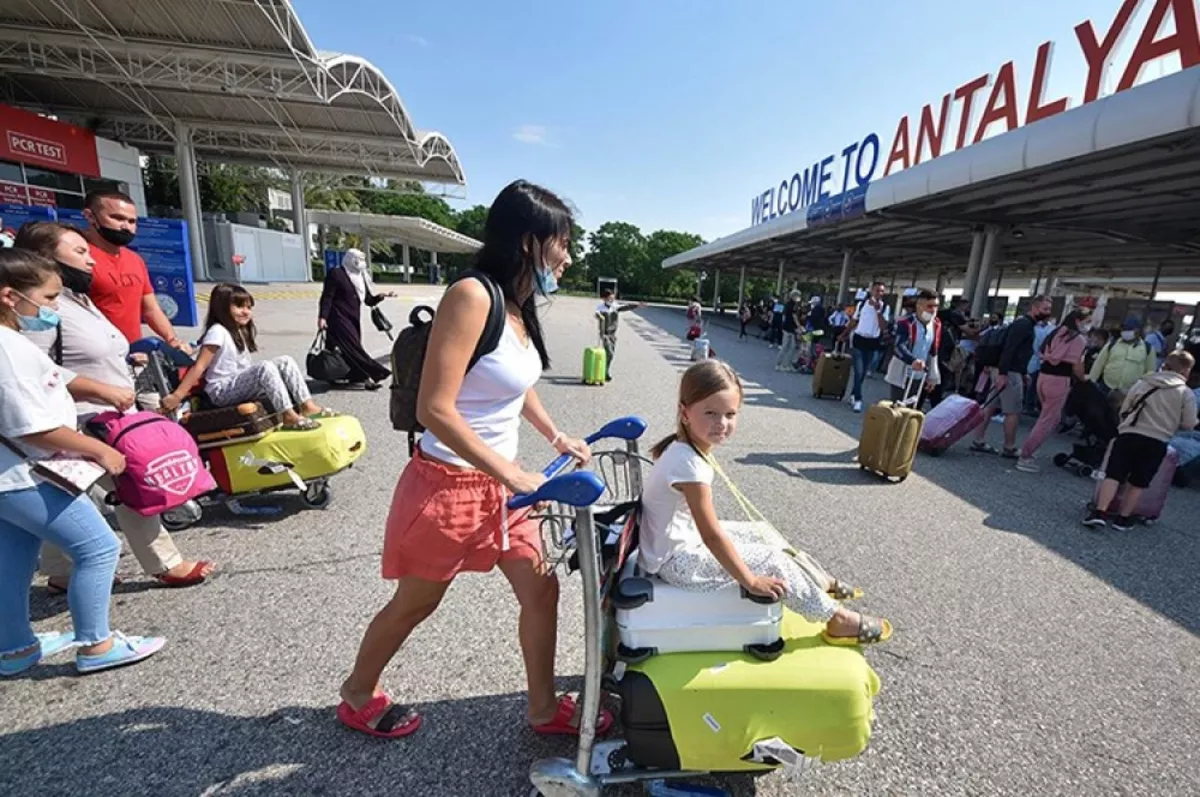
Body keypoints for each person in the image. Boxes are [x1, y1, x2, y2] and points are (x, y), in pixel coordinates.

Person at [338, 180, 603, 739]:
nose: (569, 256)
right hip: (448, 486)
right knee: (416, 603)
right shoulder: (472, 296)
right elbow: (436, 408)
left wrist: (555, 435)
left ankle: (541, 708)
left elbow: (515, 383)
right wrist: (510, 471)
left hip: (503, 491)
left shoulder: (516, 305)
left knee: (541, 589)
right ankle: (357, 693)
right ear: (530, 240)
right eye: (562, 242)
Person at [14, 222, 214, 590]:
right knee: (132, 481)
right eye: (79, 252)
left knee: (65, 494)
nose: (91, 261)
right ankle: (163, 564)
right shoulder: (42, 309)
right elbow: (31, 367)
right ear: (44, 259)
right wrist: (101, 389)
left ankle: (61, 571)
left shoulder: (77, 301)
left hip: (107, 412)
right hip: (81, 419)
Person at [640, 359, 892, 646]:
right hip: (675, 562)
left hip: (675, 545)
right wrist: (750, 580)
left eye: (730, 414)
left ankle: (817, 581)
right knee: (773, 559)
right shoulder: (688, 466)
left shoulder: (684, 447)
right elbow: (711, 535)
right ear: (685, 413)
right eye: (710, 413)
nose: (721, 424)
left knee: (761, 531)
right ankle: (836, 619)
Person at [0, 248, 165, 676]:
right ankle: (96, 644)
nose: (54, 308)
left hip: (9, 477)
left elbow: (58, 379)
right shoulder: (7, 350)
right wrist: (99, 450)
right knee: (97, 547)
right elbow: (28, 426)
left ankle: (15, 647)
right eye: (50, 298)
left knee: (15, 561)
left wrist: (102, 392)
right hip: (25, 474)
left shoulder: (13, 341)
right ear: (9, 296)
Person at [160, 283, 333, 430]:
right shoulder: (218, 332)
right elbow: (200, 366)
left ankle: (307, 406)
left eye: (249, 307)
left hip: (236, 383)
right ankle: (288, 414)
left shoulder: (237, 330)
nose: (246, 312)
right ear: (222, 307)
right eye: (240, 307)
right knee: (264, 367)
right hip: (222, 390)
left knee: (285, 361)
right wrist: (177, 396)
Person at [1083, 351, 1198, 531]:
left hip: (1130, 433)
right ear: (1186, 370)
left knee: (1114, 474)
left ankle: (1100, 513)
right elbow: (1189, 423)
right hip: (1158, 440)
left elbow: (1125, 407)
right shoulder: (1185, 393)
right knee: (1138, 481)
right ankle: (1123, 518)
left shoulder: (1144, 382)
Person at [81, 190, 189, 351]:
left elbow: (151, 309)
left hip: (133, 353)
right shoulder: (79, 257)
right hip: (95, 355)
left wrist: (172, 340)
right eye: (117, 218)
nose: (126, 227)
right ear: (90, 216)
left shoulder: (135, 260)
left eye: (132, 221)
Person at [970, 296, 1053, 458]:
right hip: (1009, 372)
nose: (1047, 313)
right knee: (1013, 410)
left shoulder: (1022, 323)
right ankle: (1010, 447)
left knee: (990, 406)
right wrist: (1004, 373)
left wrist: (1020, 372)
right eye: (1045, 309)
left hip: (1007, 370)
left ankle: (977, 440)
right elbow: (1010, 349)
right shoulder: (1024, 325)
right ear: (1034, 308)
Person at [1016, 308, 1092, 472]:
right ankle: (1026, 455)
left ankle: (1029, 449)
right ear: (1079, 321)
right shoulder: (1077, 339)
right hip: (1059, 380)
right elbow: (1077, 365)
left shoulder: (1056, 332)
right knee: (1047, 420)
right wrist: (1083, 377)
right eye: (1087, 321)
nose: (1088, 325)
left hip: (1043, 377)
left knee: (1049, 417)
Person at [317, 248, 395, 390]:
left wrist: (381, 296)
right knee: (354, 349)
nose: (362, 263)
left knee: (341, 350)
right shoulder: (336, 274)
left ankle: (338, 375)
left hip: (353, 319)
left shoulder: (360, 277)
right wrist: (323, 317)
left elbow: (368, 300)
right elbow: (327, 297)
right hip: (338, 318)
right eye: (359, 259)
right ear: (350, 260)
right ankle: (371, 375)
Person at [885, 289, 941, 410]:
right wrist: (912, 361)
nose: (933, 310)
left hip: (920, 376)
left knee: (912, 411)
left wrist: (933, 376)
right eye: (930, 306)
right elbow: (898, 346)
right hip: (901, 374)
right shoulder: (906, 322)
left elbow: (933, 351)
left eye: (936, 306)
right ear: (919, 306)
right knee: (897, 410)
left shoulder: (936, 324)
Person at [840, 282, 890, 413]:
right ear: (871, 291)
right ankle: (858, 399)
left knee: (863, 371)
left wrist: (878, 310)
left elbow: (883, 326)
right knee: (858, 370)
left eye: (882, 291)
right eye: (877, 290)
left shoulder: (885, 307)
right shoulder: (862, 305)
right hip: (859, 339)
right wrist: (844, 334)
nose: (879, 293)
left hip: (873, 341)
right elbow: (854, 321)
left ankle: (853, 393)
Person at [1089, 318, 1156, 393]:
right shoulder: (1112, 344)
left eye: (1129, 329)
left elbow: (1150, 372)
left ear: (1137, 331)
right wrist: (1092, 382)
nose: (1125, 331)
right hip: (1107, 386)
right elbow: (1099, 363)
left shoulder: (1147, 348)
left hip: (1130, 391)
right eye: (1124, 329)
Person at [595, 288, 644, 382]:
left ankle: (605, 371)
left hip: (613, 334)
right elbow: (597, 315)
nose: (611, 301)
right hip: (605, 334)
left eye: (613, 299)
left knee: (611, 355)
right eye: (609, 299)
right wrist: (599, 316)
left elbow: (625, 307)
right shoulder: (600, 308)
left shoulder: (615, 307)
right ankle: (605, 372)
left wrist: (637, 305)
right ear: (604, 299)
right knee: (609, 353)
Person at [775, 290, 802, 371]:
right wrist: (799, 326)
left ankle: (785, 364)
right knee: (789, 346)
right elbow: (794, 316)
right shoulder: (793, 305)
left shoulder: (787, 304)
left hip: (787, 327)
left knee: (789, 346)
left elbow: (784, 315)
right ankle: (782, 364)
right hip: (790, 328)